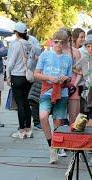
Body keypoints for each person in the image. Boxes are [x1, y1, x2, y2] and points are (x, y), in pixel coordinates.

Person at [34, 30, 73, 164]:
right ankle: (51, 144)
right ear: (52, 41)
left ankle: (54, 148)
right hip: (46, 91)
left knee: (58, 123)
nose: (59, 45)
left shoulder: (68, 58)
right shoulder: (44, 55)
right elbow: (36, 74)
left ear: (66, 44)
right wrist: (49, 77)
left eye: (62, 43)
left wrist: (65, 78)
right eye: (56, 42)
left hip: (61, 93)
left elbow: (70, 78)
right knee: (43, 117)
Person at [6, 22, 33, 139]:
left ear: (16, 33)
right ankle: (28, 128)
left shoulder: (16, 45)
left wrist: (7, 74)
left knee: (20, 104)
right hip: (27, 77)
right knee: (26, 103)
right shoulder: (29, 44)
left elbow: (10, 62)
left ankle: (22, 130)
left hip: (16, 76)